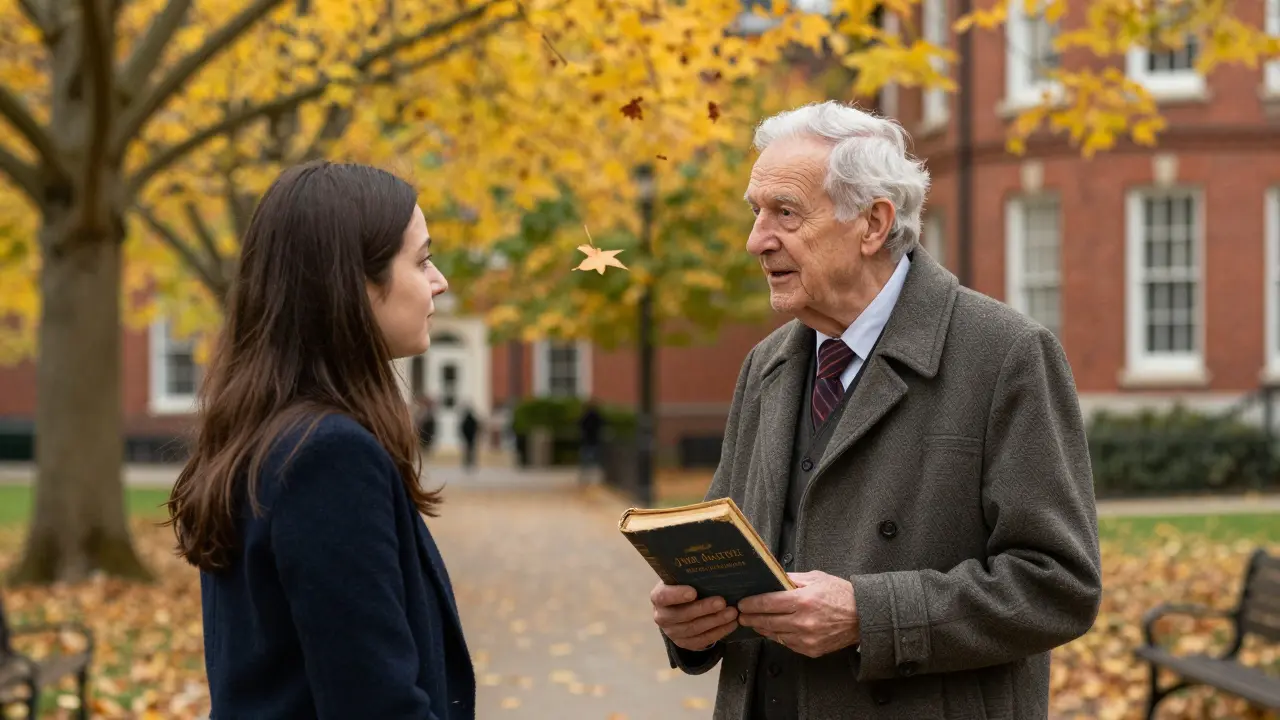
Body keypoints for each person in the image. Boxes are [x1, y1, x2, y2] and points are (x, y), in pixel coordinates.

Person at [649, 101, 1102, 718]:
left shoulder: (1006, 356)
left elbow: (1059, 586)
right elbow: (728, 553)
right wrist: (689, 622)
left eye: (785, 213)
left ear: (872, 224)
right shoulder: (765, 365)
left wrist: (868, 616)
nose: (756, 240)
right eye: (757, 213)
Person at [165, 161, 475, 719]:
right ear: (354, 281)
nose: (439, 280)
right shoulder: (326, 456)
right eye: (422, 259)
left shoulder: (268, 432)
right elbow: (375, 704)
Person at [578, 400, 604, 484]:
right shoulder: (597, 417)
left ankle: (585, 476)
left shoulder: (585, 417)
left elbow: (580, 425)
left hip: (586, 440)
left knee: (586, 459)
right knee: (595, 459)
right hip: (594, 440)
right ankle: (593, 476)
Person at [459, 406, 479, 471]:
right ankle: (470, 462)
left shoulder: (465, 420)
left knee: (468, 451)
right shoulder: (472, 420)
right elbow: (476, 428)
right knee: (471, 451)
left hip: (467, 438)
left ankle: (468, 462)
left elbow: (463, 429)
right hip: (471, 438)